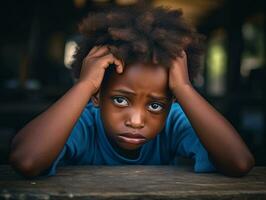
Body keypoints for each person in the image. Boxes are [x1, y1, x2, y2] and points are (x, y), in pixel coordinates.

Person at [9, 5, 254, 178]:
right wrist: (83, 85)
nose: (136, 121)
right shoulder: (83, 124)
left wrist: (184, 87)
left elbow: (239, 163)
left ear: (172, 102)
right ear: (96, 96)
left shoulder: (174, 121)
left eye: (155, 105)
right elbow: (26, 161)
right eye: (120, 100)